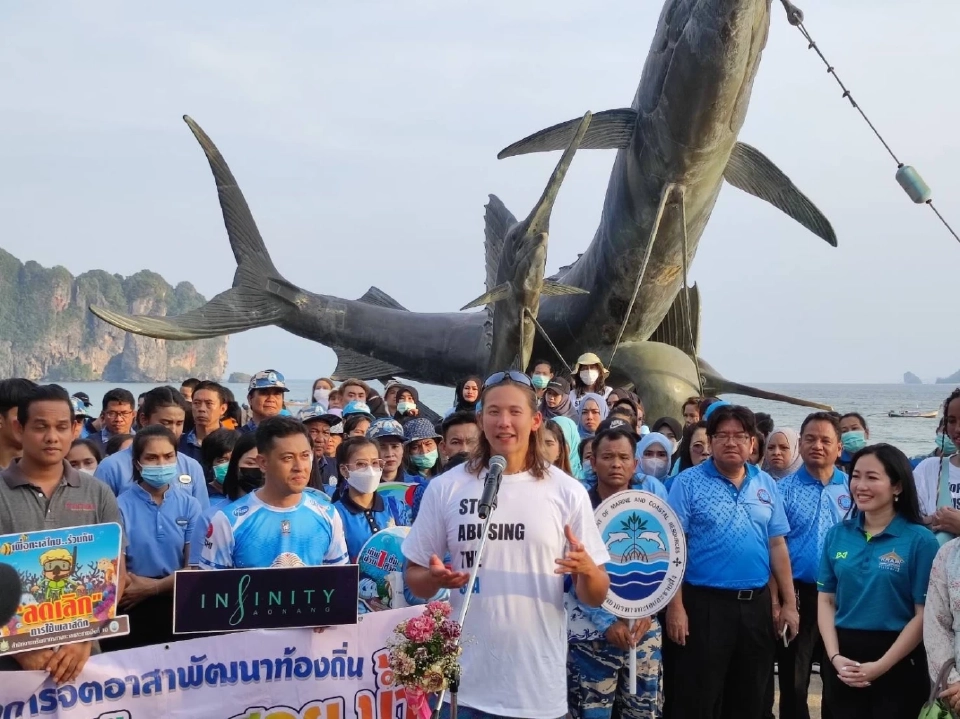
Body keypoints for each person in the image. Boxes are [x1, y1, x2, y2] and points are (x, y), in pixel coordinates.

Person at [403, 370, 610, 719]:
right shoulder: (446, 488)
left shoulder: (566, 491)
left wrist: (587, 571)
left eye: (515, 412)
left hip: (537, 689)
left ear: (535, 420)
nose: (504, 422)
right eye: (494, 411)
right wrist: (434, 579)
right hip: (464, 688)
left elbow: (596, 594)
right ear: (481, 419)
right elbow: (415, 577)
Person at [665, 404, 799, 719]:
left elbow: (777, 544)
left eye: (739, 435)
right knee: (699, 698)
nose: (731, 442)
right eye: (722, 435)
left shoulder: (766, 483)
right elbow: (674, 546)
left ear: (753, 443)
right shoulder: (688, 482)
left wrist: (789, 603)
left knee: (751, 697)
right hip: (704, 606)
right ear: (710, 442)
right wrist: (675, 606)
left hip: (755, 607)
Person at [0, 384, 125, 682]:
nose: (52, 437)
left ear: (74, 430)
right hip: (9, 667)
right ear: (20, 428)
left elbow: (117, 574)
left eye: (61, 427)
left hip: (81, 660)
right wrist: (17, 647)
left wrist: (82, 640)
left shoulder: (99, 492)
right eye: (40, 427)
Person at [818, 444, 937, 719]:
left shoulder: (921, 540)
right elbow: (826, 599)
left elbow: (923, 615)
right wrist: (834, 657)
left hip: (897, 660)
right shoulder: (837, 534)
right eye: (855, 476)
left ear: (897, 486)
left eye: (872, 477)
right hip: (842, 657)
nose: (860, 485)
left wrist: (881, 666)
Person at [567, 425, 662, 719]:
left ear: (635, 464)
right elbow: (572, 574)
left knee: (643, 712)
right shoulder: (577, 507)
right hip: (590, 636)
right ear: (592, 462)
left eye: (623, 457)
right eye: (607, 456)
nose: (616, 464)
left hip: (642, 634)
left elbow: (666, 565)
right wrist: (607, 621)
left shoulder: (649, 508)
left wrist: (647, 609)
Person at [200, 416, 349, 569]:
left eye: (305, 456)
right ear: (263, 463)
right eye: (288, 458)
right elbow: (212, 590)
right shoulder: (228, 521)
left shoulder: (328, 515)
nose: (299, 466)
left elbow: (338, 584)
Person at [773, 413, 847, 719]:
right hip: (800, 594)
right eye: (810, 439)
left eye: (825, 440)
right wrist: (779, 601)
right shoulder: (783, 489)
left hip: (846, 596)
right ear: (800, 445)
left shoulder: (854, 487)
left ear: (839, 448)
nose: (817, 445)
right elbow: (774, 547)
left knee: (839, 676)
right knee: (794, 679)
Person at [109, 426, 201, 650]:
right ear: (138, 462)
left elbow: (195, 568)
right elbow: (117, 568)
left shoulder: (190, 505)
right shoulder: (118, 506)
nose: (161, 464)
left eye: (168, 456)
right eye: (152, 457)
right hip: (130, 602)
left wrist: (155, 587)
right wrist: (139, 588)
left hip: (178, 603)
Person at [95, 386, 209, 509]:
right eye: (166, 423)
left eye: (179, 423)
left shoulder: (191, 467)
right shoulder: (111, 468)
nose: (173, 430)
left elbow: (202, 519)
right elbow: (100, 519)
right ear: (144, 419)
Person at [333, 436, 408, 563]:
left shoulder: (395, 506)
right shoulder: (335, 514)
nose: (370, 470)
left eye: (374, 463)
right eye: (361, 464)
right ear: (344, 470)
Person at [915, 388, 960, 546]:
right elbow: (904, 519)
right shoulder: (929, 469)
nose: (957, 429)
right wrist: (932, 521)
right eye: (952, 420)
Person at [180, 380, 228, 462]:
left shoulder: (234, 444)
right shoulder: (179, 443)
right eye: (196, 403)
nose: (201, 409)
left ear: (222, 409)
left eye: (209, 403)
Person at [89, 388, 137, 455]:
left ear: (133, 414)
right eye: (112, 413)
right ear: (103, 415)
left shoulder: (141, 441)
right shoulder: (91, 444)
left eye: (124, 413)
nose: (118, 419)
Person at [220, 432, 262, 503]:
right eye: (251, 463)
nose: (260, 469)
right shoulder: (219, 513)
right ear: (235, 464)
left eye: (265, 463)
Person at [403, 418, 444, 482]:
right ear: (408, 452)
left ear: (437, 444)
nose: (424, 451)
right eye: (415, 447)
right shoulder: (404, 482)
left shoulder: (447, 475)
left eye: (428, 444)